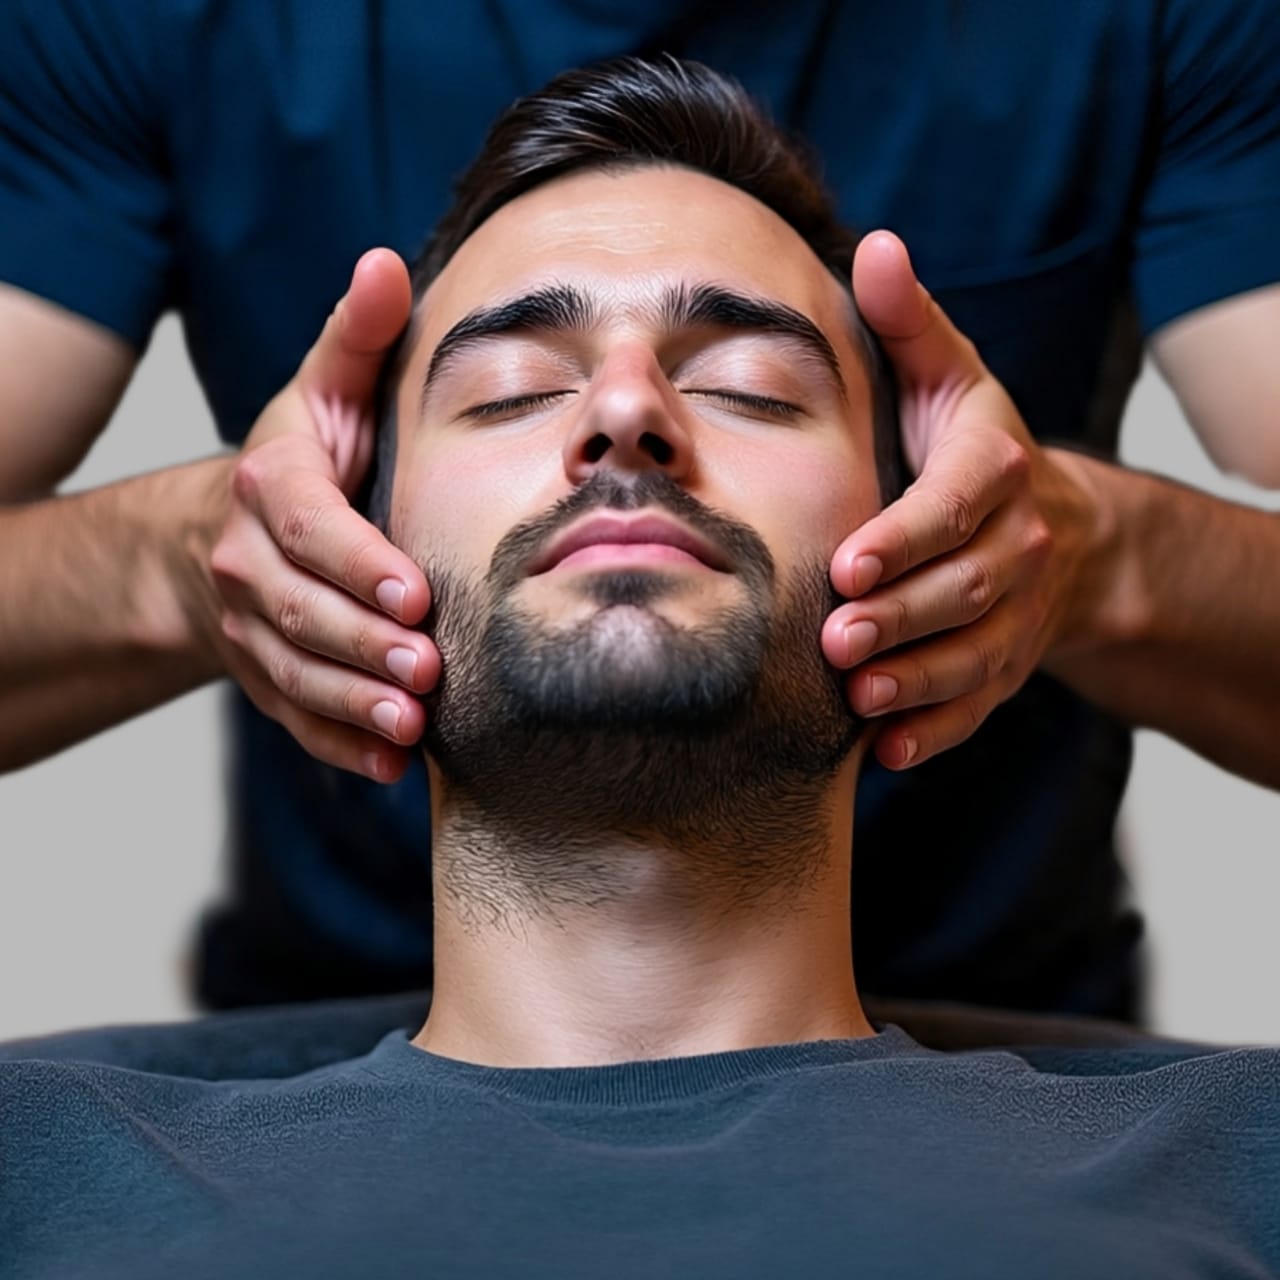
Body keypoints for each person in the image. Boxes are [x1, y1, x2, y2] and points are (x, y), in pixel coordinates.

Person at [3, 64, 1277, 1279]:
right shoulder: (43, 1165)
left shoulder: (1232, 1158)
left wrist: (1109, 546)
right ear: (346, 537)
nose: (624, 411)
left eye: (750, 384)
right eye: (506, 390)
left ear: (934, 522)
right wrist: (162, 552)